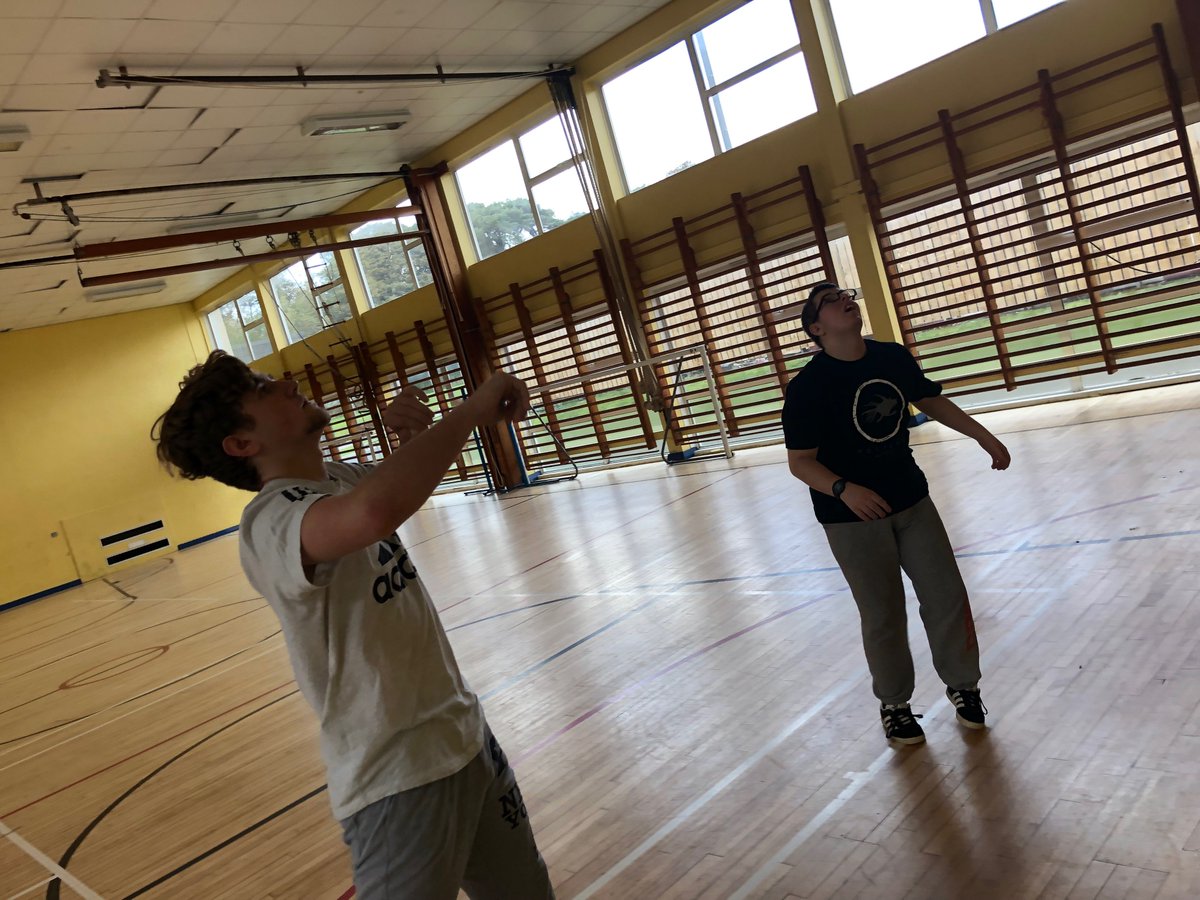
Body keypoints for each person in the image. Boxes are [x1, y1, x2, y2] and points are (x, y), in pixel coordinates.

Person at [154, 351, 555, 899]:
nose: (286, 383)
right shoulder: (269, 522)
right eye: (263, 388)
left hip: (466, 737)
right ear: (242, 443)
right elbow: (372, 512)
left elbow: (394, 487)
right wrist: (469, 411)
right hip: (398, 778)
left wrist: (413, 435)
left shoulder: (339, 479)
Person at [781, 283, 1011, 746]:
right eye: (830, 301)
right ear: (816, 329)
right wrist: (844, 489)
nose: (845, 300)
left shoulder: (891, 357)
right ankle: (895, 705)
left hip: (911, 501)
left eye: (845, 293)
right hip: (851, 517)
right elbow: (800, 461)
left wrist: (983, 436)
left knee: (946, 595)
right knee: (882, 612)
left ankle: (964, 687)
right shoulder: (807, 388)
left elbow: (928, 399)